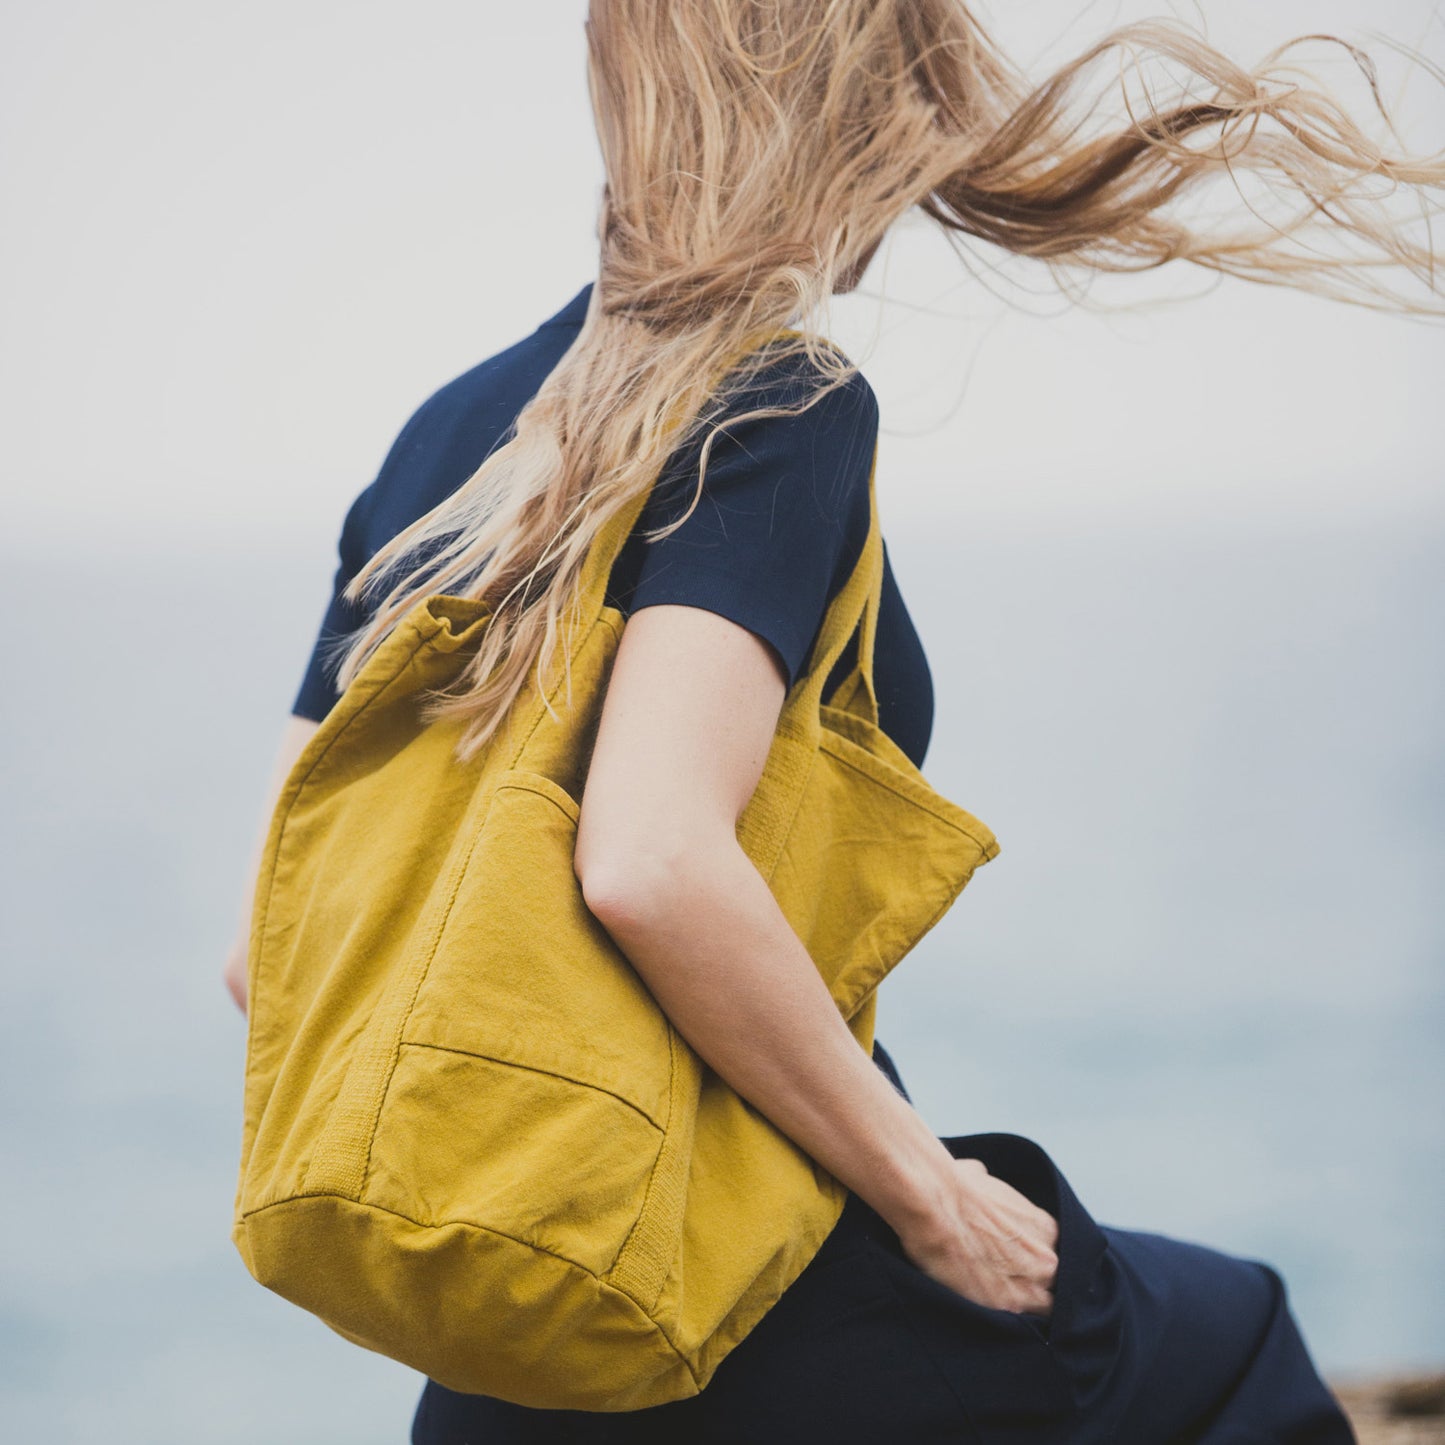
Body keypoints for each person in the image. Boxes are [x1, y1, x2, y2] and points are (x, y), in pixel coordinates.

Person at [224, 3, 1445, 1439]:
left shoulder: (446, 435)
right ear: (852, 116)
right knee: (1232, 1343)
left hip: (510, 1365)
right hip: (745, 1293)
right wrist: (933, 1199)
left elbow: (265, 959)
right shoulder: (776, 399)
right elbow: (650, 856)